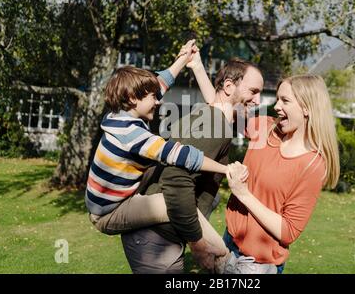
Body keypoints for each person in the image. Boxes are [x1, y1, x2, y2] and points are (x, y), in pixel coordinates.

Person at [120, 53, 267, 274]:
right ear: (229, 86)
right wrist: (197, 245)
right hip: (156, 239)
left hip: (154, 234)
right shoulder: (216, 126)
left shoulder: (207, 114)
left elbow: (215, 101)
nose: (258, 101)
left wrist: (198, 67)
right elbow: (176, 180)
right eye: (253, 92)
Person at [85, 40, 246, 234]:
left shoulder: (119, 114)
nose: (159, 101)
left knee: (195, 200)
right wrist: (225, 169)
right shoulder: (133, 135)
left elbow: (161, 82)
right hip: (109, 214)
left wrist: (185, 59)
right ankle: (219, 256)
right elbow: (183, 156)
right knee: (176, 205)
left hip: (108, 202)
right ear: (132, 98)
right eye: (153, 97)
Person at [224, 74, 340, 273]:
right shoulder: (267, 128)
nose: (276, 106)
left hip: (257, 264)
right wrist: (197, 67)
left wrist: (243, 194)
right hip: (228, 243)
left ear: (307, 108)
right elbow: (222, 108)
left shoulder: (312, 165)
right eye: (278, 99)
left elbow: (288, 231)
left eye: (285, 100)